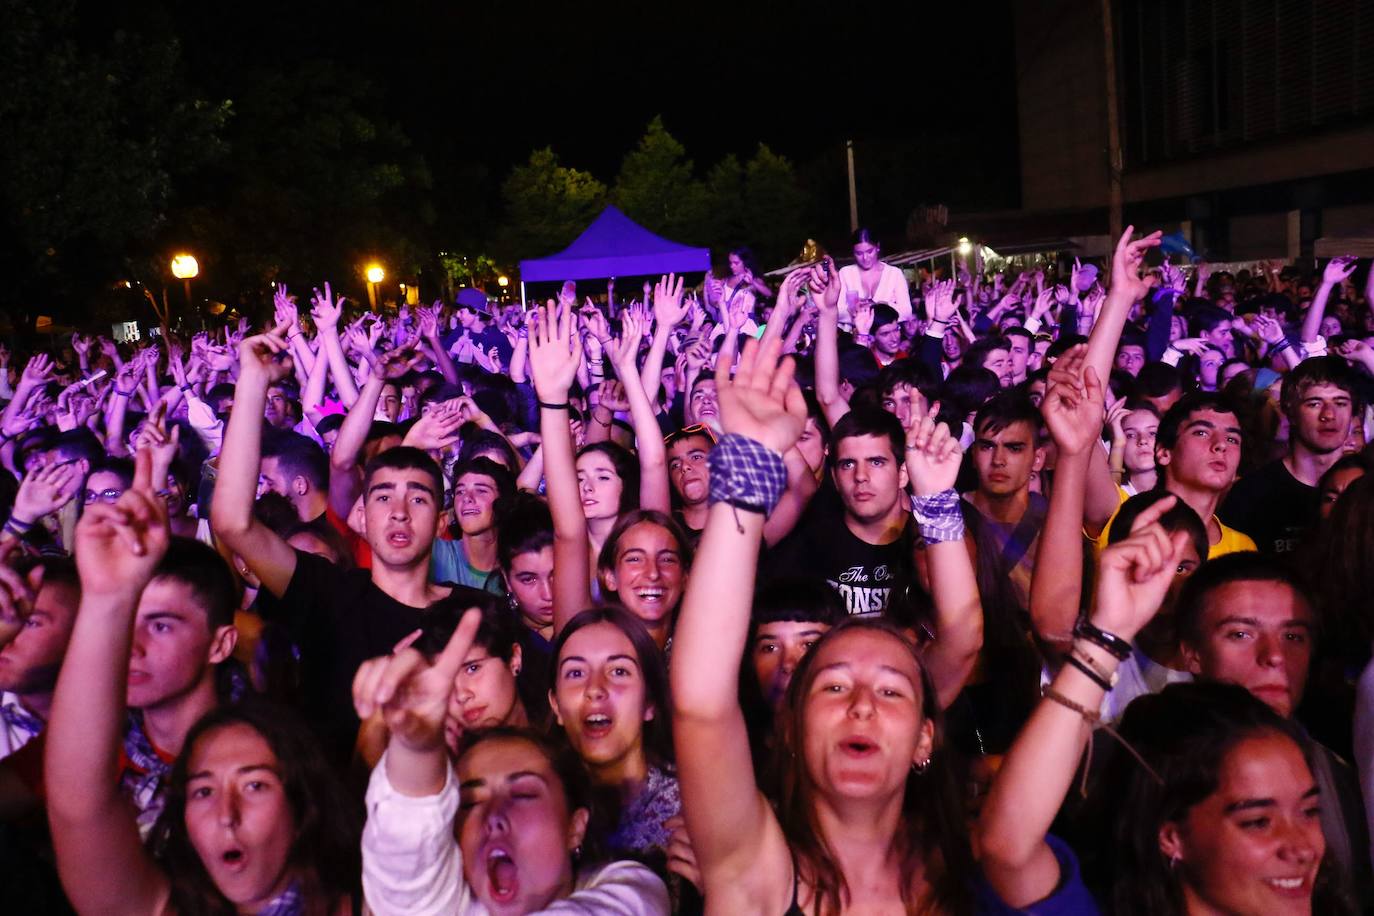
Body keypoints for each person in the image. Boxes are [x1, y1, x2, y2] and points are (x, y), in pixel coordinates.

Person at [45, 449, 361, 915]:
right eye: (201, 791)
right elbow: (77, 806)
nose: (224, 814)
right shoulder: (101, 742)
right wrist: (106, 598)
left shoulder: (365, 892)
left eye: (162, 625)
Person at [212, 323, 493, 762]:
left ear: (441, 521)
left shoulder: (475, 612)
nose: (399, 510)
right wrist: (251, 381)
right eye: (383, 496)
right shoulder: (328, 593)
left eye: (417, 497)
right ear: (361, 515)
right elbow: (232, 522)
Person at [354, 608, 669, 914]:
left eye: (523, 795)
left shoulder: (632, 887)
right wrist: (414, 749)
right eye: (470, 802)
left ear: (576, 826)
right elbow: (406, 865)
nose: (494, 815)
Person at [1220, 357, 1360, 554]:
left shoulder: (1366, 485)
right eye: (1314, 403)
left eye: (1340, 403)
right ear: (1290, 411)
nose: (1329, 414)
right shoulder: (1251, 494)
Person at [431, 456, 513, 594]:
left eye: (481, 490)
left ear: (503, 501)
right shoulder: (436, 554)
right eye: (460, 492)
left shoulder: (518, 566)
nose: (467, 498)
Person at [834, 228, 913, 328]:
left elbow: (907, 312)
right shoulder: (846, 273)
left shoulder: (894, 273)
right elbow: (836, 311)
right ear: (853, 252)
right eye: (859, 253)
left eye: (869, 251)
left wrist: (881, 305)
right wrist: (853, 310)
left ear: (878, 247)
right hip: (853, 336)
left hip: (887, 338)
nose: (865, 258)